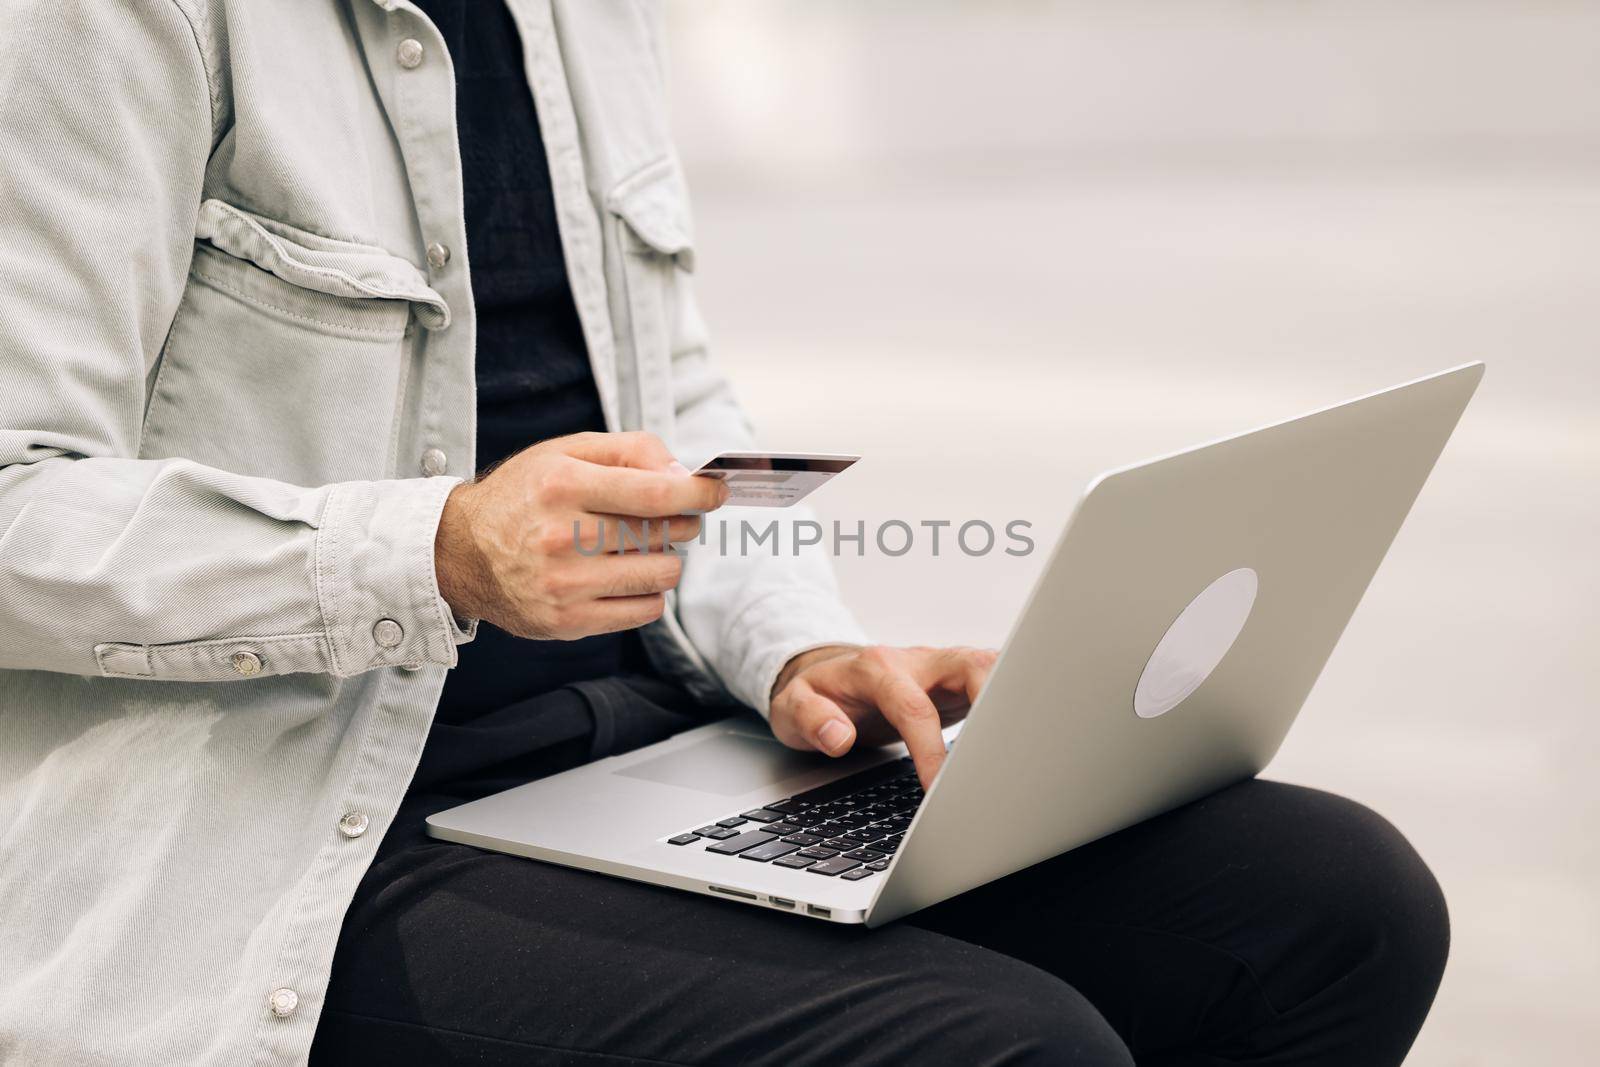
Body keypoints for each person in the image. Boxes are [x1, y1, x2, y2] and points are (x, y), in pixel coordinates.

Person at [0, 2, 1449, 1064]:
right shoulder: (113, 22)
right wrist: (433, 549)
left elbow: (674, 403)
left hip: (644, 747)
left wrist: (798, 647)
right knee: (1003, 1052)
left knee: (1331, 903)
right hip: (296, 827)